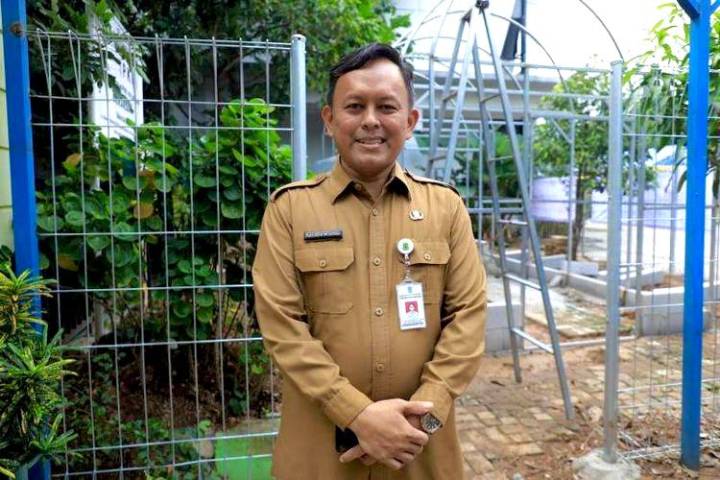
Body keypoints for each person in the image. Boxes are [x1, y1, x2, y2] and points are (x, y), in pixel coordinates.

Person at [252, 43, 487, 479]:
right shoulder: (290, 210)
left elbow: (468, 317)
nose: (371, 121)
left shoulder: (446, 208)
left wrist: (425, 415)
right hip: (322, 450)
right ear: (329, 119)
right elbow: (281, 325)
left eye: (387, 107)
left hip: (420, 450)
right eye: (355, 106)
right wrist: (355, 414)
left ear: (410, 121)